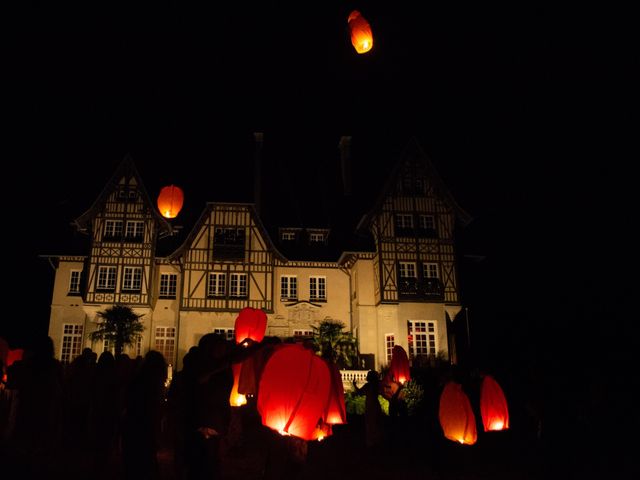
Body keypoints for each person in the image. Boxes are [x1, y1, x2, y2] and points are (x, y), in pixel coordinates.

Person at [352, 370, 385, 451]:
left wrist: (354, 385)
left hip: (370, 406)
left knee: (370, 424)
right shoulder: (376, 385)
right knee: (376, 423)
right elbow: (382, 392)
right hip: (375, 405)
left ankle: (371, 443)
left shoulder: (368, 386)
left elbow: (360, 392)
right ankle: (377, 442)